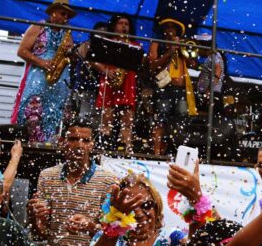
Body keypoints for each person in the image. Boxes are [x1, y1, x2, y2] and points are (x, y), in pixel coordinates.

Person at [12, 0, 76, 142]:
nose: (65, 18)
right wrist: (42, 62)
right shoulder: (38, 26)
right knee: (33, 111)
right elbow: (22, 51)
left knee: (55, 113)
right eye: (62, 13)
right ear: (52, 12)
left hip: (60, 78)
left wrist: (70, 51)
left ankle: (48, 142)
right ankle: (31, 142)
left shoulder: (67, 32)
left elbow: (72, 58)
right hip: (39, 75)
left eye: (67, 15)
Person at [148, 18, 198, 156]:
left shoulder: (182, 45)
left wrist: (182, 49)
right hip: (164, 88)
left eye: (173, 28)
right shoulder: (157, 43)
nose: (170, 30)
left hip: (181, 90)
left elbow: (193, 64)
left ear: (177, 31)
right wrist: (170, 51)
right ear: (163, 31)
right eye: (167, 27)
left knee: (180, 122)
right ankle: (156, 153)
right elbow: (152, 65)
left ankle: (178, 153)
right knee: (160, 121)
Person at [94, 14, 140, 153]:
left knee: (127, 119)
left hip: (128, 83)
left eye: (126, 24)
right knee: (107, 117)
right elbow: (94, 60)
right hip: (110, 81)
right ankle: (103, 146)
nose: (124, 26)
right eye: (121, 23)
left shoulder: (135, 45)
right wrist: (106, 71)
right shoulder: (106, 42)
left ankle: (125, 148)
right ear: (114, 26)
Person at [68, 21, 109, 125]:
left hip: (100, 91)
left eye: (105, 35)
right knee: (84, 121)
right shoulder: (86, 45)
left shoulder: (106, 50)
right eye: (100, 34)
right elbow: (82, 57)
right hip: (84, 89)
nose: (102, 38)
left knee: (97, 122)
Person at [194, 33, 226, 112]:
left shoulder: (213, 56)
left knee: (209, 120)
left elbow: (218, 70)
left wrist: (209, 90)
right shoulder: (212, 57)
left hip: (212, 94)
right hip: (210, 94)